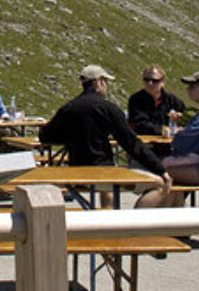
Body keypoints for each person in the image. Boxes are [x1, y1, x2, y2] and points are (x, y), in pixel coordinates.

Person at [39, 64, 176, 207]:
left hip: (76, 172)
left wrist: (71, 135)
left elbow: (45, 136)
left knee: (107, 188)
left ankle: (108, 217)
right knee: (160, 184)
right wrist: (160, 169)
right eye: (106, 82)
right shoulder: (108, 108)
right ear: (98, 82)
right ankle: (134, 221)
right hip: (103, 172)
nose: (107, 87)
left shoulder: (68, 108)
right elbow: (131, 144)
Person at [127, 65, 185, 136]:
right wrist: (165, 130)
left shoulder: (171, 100)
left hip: (167, 143)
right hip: (143, 142)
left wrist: (179, 118)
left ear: (162, 83)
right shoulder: (135, 100)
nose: (150, 83)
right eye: (146, 80)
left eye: (154, 81)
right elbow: (140, 124)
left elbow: (184, 116)